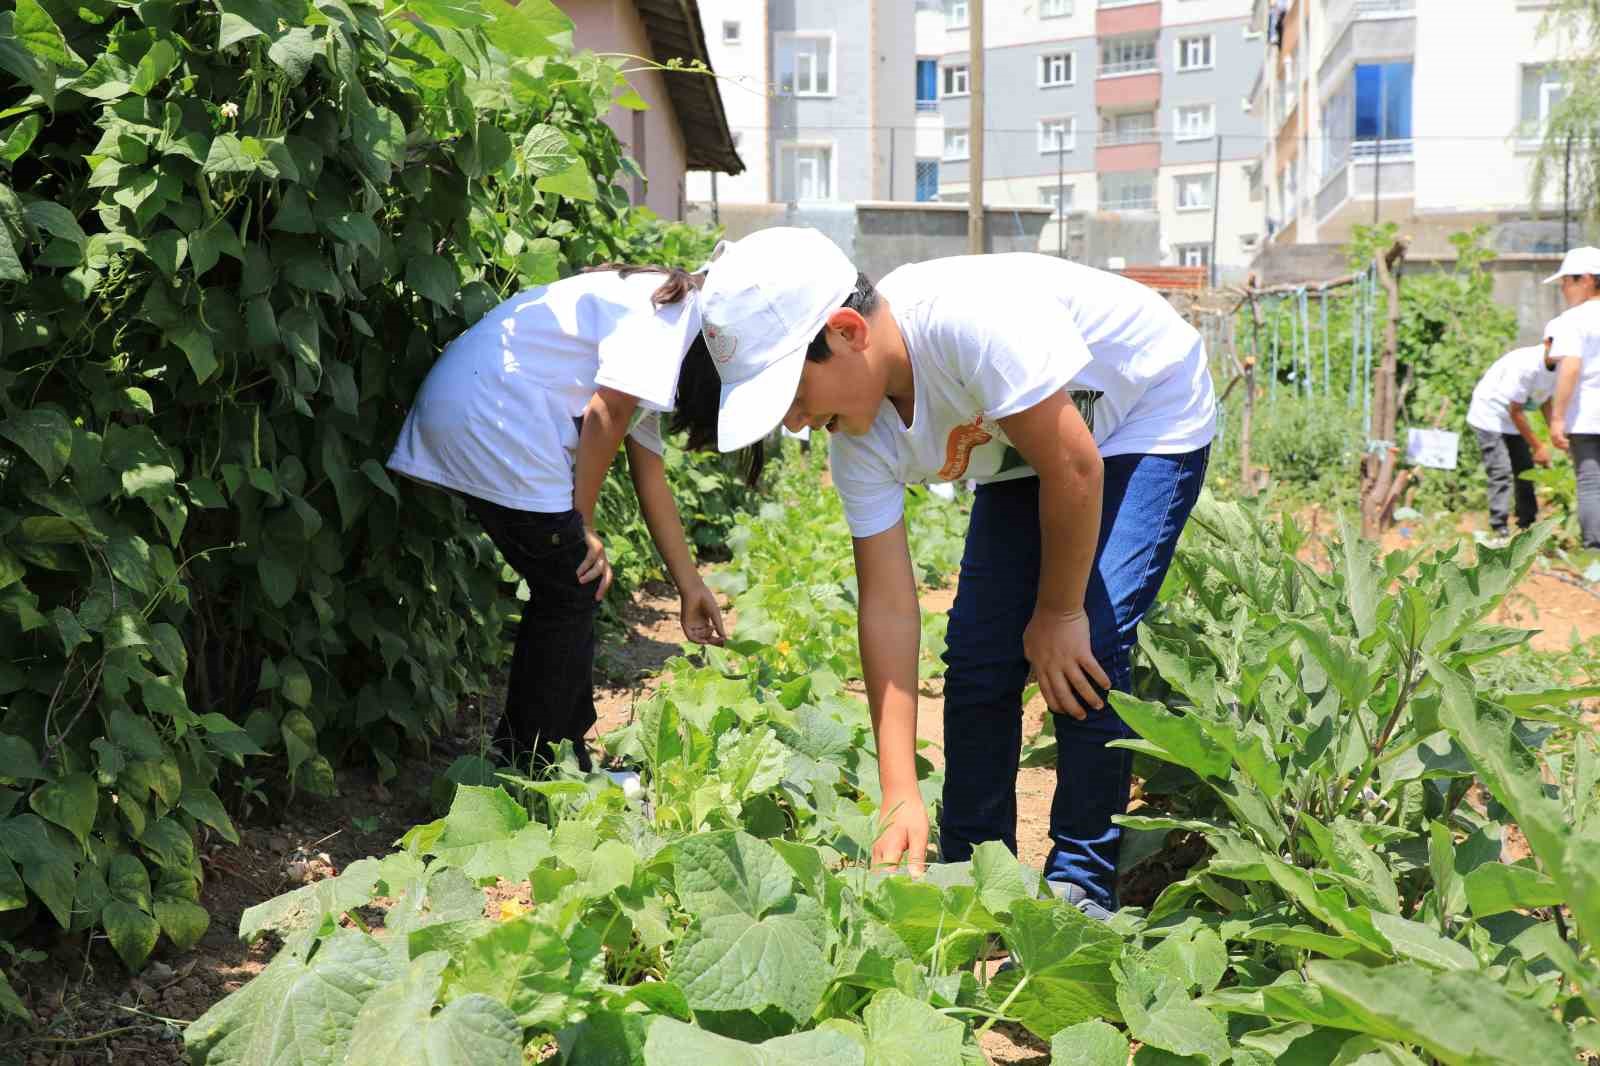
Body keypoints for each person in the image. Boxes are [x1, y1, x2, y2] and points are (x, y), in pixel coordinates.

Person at [699, 228, 1214, 917]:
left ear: (847, 331)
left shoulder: (969, 324)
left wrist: (1059, 612)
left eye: (791, 390)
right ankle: (972, 871)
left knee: (1091, 638)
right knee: (978, 655)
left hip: (1143, 411)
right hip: (1022, 438)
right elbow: (886, 605)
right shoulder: (858, 437)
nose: (794, 419)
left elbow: (1076, 468)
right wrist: (899, 789)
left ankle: (1081, 882)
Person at [388, 265, 743, 771]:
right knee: (574, 580)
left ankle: (536, 754)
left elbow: (650, 476)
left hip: (482, 409)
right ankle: (546, 762)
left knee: (567, 584)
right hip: (496, 416)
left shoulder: (663, 310)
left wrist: (690, 585)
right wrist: (584, 523)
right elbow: (605, 414)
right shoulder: (671, 314)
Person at [1465, 336, 1558, 540]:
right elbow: (1515, 411)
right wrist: (1539, 446)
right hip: (1490, 414)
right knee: (1500, 470)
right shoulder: (1526, 365)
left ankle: (1528, 524)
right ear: (1548, 342)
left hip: (1512, 417)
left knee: (1525, 470)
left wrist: (1555, 431)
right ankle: (1499, 527)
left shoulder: (1558, 365)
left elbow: (1545, 400)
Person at [1545, 246, 1600, 549]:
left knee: (1591, 483)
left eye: (1567, 281)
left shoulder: (1573, 319)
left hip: (1588, 417)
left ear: (1588, 280)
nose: (1563, 288)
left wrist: (1557, 417)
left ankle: (1595, 552)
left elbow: (1571, 366)